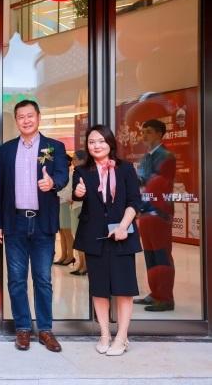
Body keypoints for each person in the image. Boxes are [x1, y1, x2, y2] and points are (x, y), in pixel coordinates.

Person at [0, 99, 68, 352]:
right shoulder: (5, 151)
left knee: (43, 279)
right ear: (16, 121)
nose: (26, 120)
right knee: (16, 280)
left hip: (43, 223)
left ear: (38, 117)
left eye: (30, 115)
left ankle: (45, 329)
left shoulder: (54, 147)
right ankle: (23, 329)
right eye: (21, 117)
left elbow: (62, 175)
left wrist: (53, 183)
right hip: (14, 223)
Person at [72, 124, 141, 356]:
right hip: (94, 236)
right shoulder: (81, 171)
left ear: (110, 143)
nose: (96, 145)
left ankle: (122, 337)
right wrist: (78, 193)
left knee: (124, 288)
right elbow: (76, 194)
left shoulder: (126, 169)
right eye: (92, 142)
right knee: (99, 289)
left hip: (122, 235)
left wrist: (123, 226)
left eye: (101, 141)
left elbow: (134, 201)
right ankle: (104, 334)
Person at [134, 119, 176, 312]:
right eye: (143, 132)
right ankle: (155, 293)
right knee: (150, 255)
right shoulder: (145, 158)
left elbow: (154, 183)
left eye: (149, 131)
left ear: (160, 133)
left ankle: (166, 298)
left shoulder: (166, 156)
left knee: (161, 254)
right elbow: (141, 181)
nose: (144, 135)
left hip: (159, 213)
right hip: (146, 212)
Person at [55, 155, 75, 266]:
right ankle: (63, 255)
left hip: (66, 203)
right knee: (62, 231)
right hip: (59, 203)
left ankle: (70, 256)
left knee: (67, 231)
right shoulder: (60, 174)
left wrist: (57, 193)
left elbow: (68, 190)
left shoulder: (71, 174)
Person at [69, 150, 87, 276]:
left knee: (81, 237)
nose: (73, 161)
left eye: (75, 159)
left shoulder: (82, 172)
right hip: (75, 206)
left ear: (82, 160)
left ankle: (85, 265)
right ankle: (81, 264)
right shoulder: (77, 171)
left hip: (80, 206)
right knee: (76, 236)